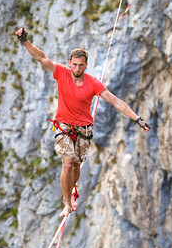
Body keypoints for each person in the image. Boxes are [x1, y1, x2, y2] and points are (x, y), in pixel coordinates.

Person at [14, 27, 151, 217]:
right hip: (63, 125)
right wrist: (25, 41)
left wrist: (137, 119)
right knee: (68, 163)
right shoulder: (61, 72)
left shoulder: (93, 83)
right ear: (69, 63)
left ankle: (71, 193)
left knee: (76, 166)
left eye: (81, 65)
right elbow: (42, 58)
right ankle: (67, 202)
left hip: (84, 129)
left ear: (86, 65)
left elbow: (115, 101)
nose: (77, 69)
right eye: (74, 65)